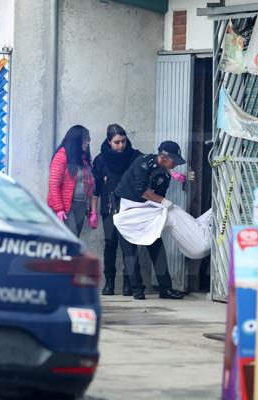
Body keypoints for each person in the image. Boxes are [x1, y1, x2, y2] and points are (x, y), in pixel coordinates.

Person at [114, 140, 187, 300]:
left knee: (157, 247)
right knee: (130, 251)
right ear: (163, 157)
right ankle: (137, 289)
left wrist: (161, 208)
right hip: (127, 210)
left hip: (147, 211)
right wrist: (164, 202)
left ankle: (165, 289)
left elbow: (158, 195)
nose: (175, 164)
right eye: (173, 160)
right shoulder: (143, 163)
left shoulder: (165, 174)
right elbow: (143, 192)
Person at [91, 124, 143, 296]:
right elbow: (96, 189)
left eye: (123, 141)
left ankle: (129, 283)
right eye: (117, 142)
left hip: (130, 208)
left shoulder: (134, 156)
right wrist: (92, 211)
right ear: (109, 141)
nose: (121, 146)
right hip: (109, 208)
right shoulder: (100, 160)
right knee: (110, 245)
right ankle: (109, 283)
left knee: (129, 246)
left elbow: (149, 168)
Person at [47, 125, 97, 237]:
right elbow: (54, 185)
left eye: (89, 139)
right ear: (76, 140)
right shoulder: (62, 155)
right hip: (66, 206)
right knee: (69, 240)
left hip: (81, 205)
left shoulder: (84, 158)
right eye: (85, 139)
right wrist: (59, 209)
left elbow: (90, 184)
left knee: (75, 238)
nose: (88, 142)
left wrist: (91, 210)